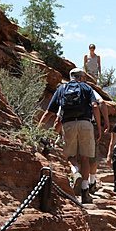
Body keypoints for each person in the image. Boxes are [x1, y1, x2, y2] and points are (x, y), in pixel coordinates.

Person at [40, 67, 101, 204]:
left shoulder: (62, 89)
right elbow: (95, 106)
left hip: (68, 124)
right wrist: (99, 126)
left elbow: (49, 112)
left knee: (69, 156)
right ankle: (85, 192)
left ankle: (75, 171)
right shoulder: (86, 88)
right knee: (85, 158)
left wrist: (38, 129)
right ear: (81, 77)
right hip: (86, 124)